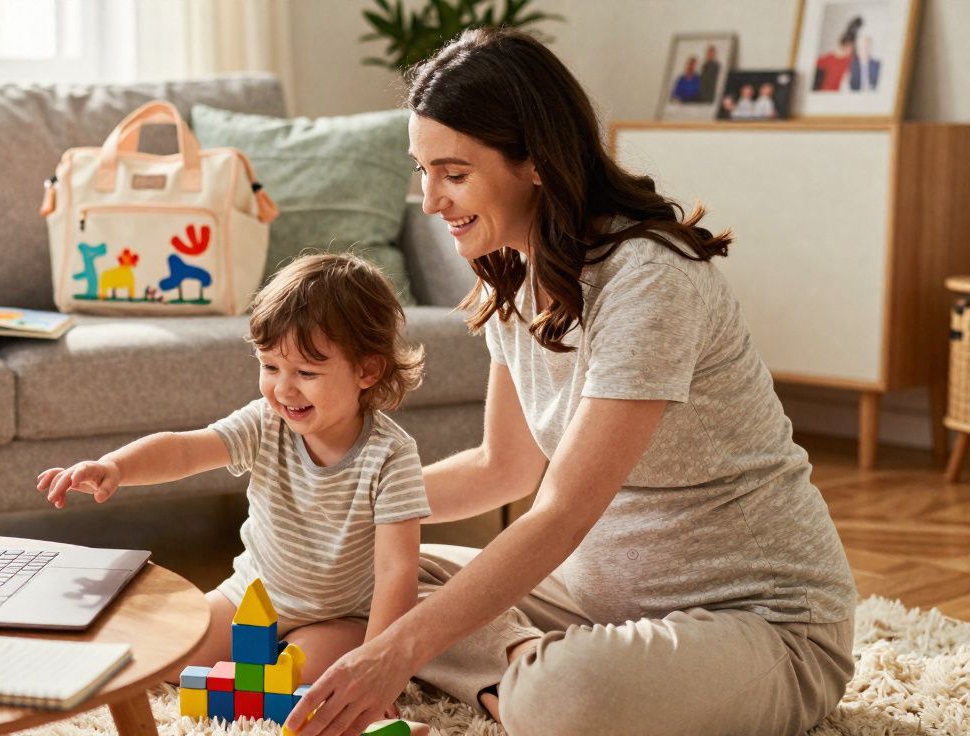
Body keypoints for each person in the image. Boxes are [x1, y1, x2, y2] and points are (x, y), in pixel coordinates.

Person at [285, 27, 856, 736]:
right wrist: (340, 502)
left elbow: (558, 513)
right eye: (422, 170)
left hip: (763, 624)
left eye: (453, 173)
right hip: (590, 604)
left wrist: (400, 648)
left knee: (572, 695)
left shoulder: (649, 279)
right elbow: (504, 468)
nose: (429, 201)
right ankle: (524, 678)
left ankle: (529, 686)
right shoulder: (515, 277)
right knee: (375, 568)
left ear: (536, 163)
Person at [36, 252, 430, 702]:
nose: (284, 389)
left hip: (340, 617)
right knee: (168, 659)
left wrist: (378, 668)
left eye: (306, 372)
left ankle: (290, 663)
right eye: (270, 367)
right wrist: (116, 467)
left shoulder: (392, 456)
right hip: (251, 596)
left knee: (303, 684)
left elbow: (397, 571)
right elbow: (186, 450)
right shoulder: (265, 422)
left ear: (367, 370)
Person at [815, 16, 862, 91]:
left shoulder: (852, 61)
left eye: (850, 47)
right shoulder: (827, 59)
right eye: (846, 46)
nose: (848, 50)